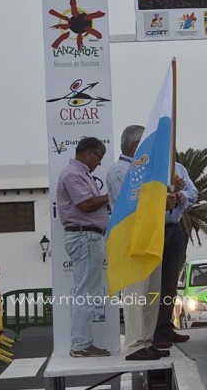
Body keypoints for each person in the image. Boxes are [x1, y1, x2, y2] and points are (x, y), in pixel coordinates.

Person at [107, 125, 168, 361]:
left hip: (148, 236)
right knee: (134, 294)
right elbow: (132, 204)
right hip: (130, 238)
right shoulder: (120, 171)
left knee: (151, 293)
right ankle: (134, 345)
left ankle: (147, 340)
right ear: (136, 146)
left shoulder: (143, 170)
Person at [56, 136, 111, 358]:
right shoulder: (73, 174)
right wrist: (110, 196)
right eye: (99, 157)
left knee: (87, 292)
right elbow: (85, 205)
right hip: (85, 237)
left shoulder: (79, 174)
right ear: (88, 153)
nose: (99, 163)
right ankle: (80, 344)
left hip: (87, 237)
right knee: (86, 293)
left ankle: (82, 342)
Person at [153, 155, 198, 346]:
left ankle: (165, 327)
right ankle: (152, 332)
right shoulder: (149, 167)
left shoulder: (179, 168)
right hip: (154, 230)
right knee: (154, 284)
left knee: (171, 283)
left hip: (174, 228)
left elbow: (193, 192)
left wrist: (183, 195)